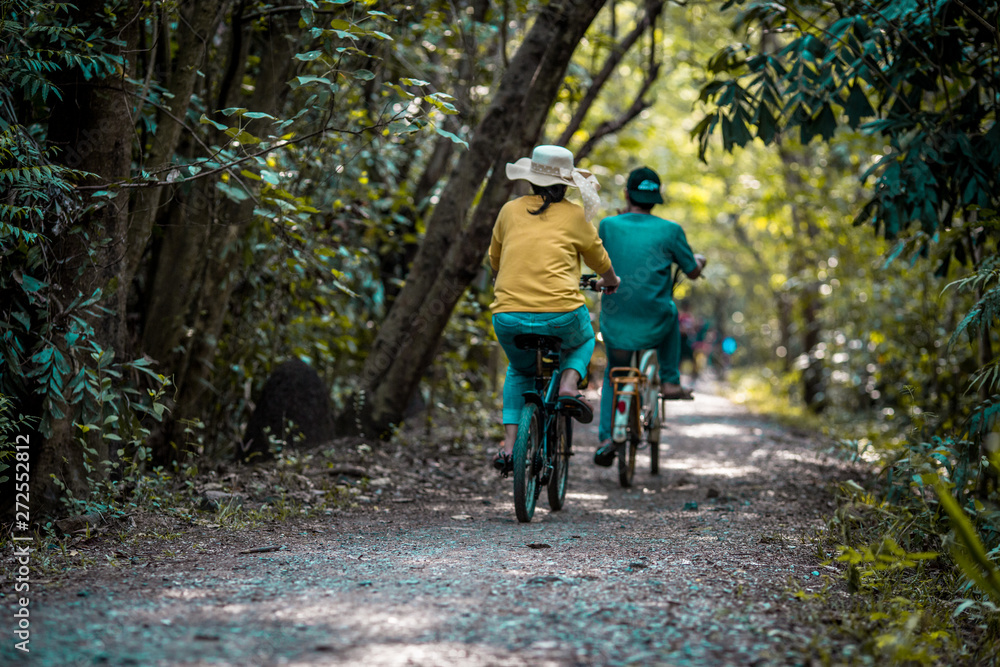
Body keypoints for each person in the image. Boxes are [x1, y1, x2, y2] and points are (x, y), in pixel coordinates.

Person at [489, 145, 621, 475]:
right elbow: (598, 257)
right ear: (566, 184)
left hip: (507, 315)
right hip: (562, 314)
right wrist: (611, 280)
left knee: (519, 371)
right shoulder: (575, 214)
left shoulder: (509, 210)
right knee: (585, 338)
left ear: (531, 179)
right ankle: (568, 384)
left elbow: (494, 258)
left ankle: (508, 449)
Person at [593, 166, 706, 466]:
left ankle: (606, 437)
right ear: (657, 198)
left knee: (613, 371)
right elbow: (692, 271)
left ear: (627, 194)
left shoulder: (608, 225)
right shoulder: (671, 230)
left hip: (615, 318)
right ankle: (669, 380)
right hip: (655, 320)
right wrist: (699, 261)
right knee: (670, 310)